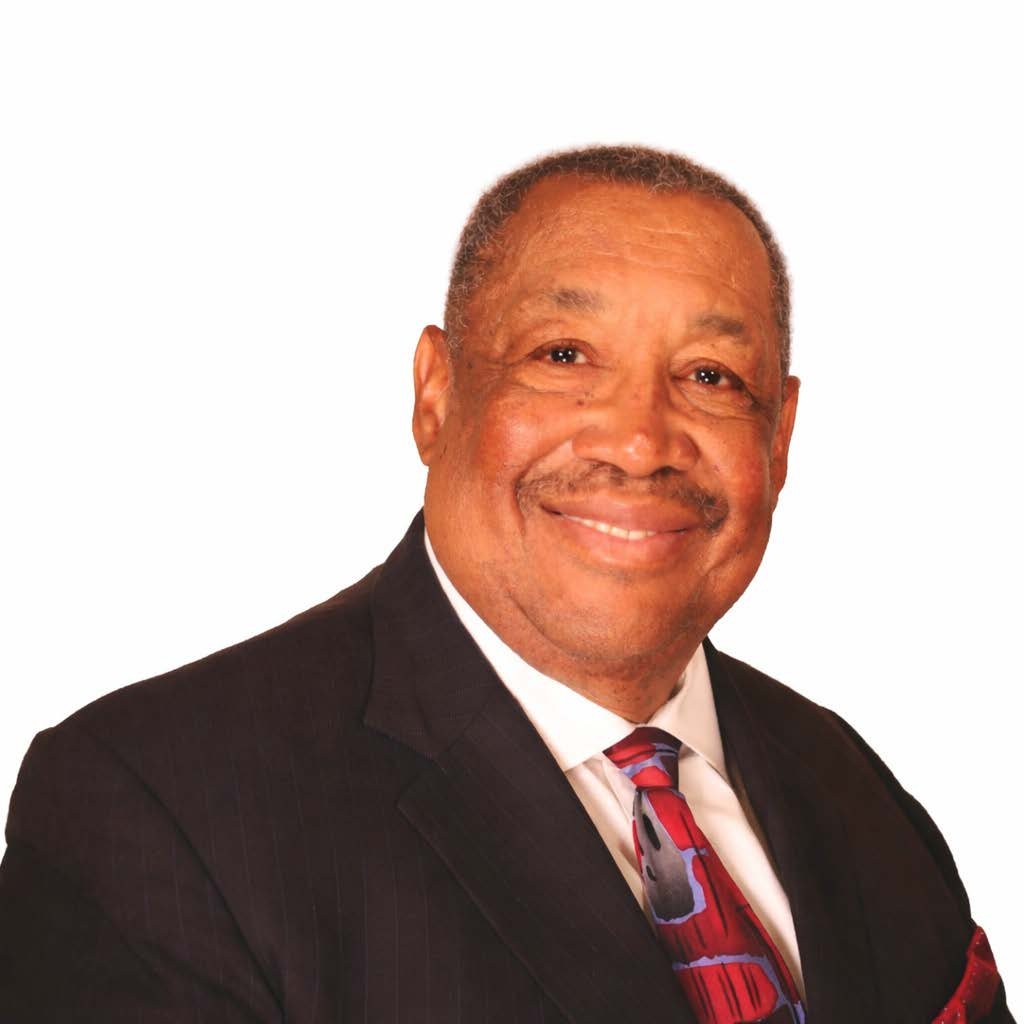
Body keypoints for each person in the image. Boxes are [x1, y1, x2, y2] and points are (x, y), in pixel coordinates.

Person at [0, 145, 1012, 1023]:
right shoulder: (158, 808)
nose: (638, 439)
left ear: (779, 437)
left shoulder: (852, 787)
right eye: (563, 355)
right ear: (437, 394)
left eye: (710, 376)